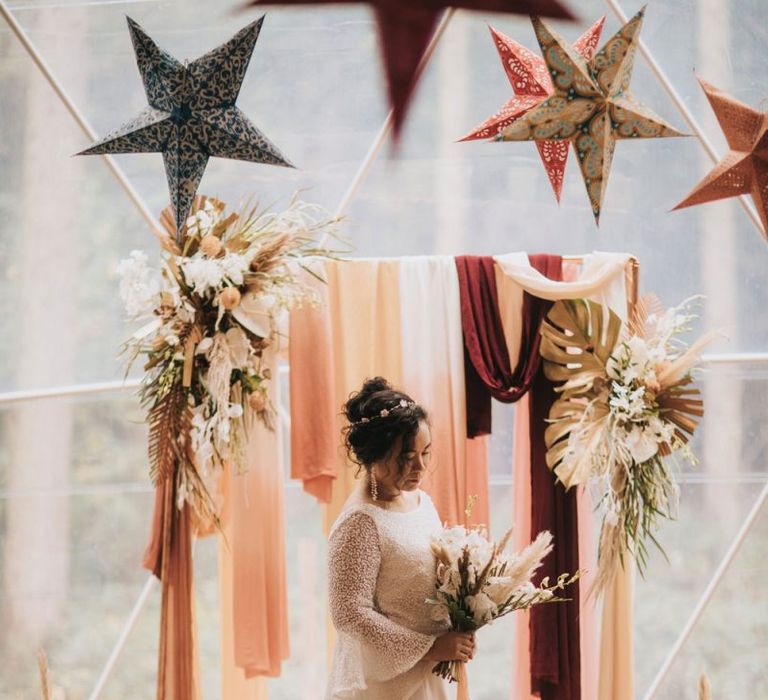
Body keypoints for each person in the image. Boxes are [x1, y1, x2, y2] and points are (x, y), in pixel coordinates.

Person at [325, 377, 475, 700]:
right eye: (407, 458)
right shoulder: (360, 523)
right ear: (375, 455)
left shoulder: (420, 500)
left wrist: (467, 607)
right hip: (387, 688)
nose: (420, 467)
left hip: (432, 677)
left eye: (426, 453)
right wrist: (431, 647)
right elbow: (350, 615)